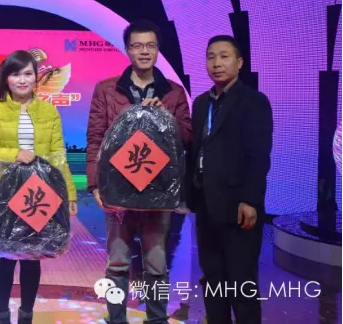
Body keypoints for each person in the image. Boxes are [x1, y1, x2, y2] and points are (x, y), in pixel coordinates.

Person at [86, 20, 192, 324]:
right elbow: (95, 138)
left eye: (150, 45)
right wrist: (95, 185)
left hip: (158, 192)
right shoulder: (106, 89)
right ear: (127, 49)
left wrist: (165, 116)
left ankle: (156, 319)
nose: (144, 51)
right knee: (117, 263)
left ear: (157, 49)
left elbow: (187, 138)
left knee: (156, 264)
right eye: (137, 45)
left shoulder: (173, 93)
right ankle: (116, 318)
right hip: (118, 190)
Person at [0, 50, 78, 324]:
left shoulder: (49, 111)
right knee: (5, 257)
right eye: (16, 74)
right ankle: (2, 315)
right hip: (4, 194)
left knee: (33, 256)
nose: (22, 80)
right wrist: (14, 154)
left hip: (39, 194)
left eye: (28, 73)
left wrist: (69, 194)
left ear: (36, 77)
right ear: (5, 79)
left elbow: (59, 155)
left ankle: (26, 315)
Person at [185, 35, 273, 324]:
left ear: (239, 62)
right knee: (213, 280)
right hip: (206, 205)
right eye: (211, 57)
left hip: (238, 207)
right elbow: (196, 151)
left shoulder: (254, 102)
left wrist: (250, 200)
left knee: (241, 283)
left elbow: (258, 156)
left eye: (224, 56)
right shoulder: (201, 103)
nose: (217, 63)